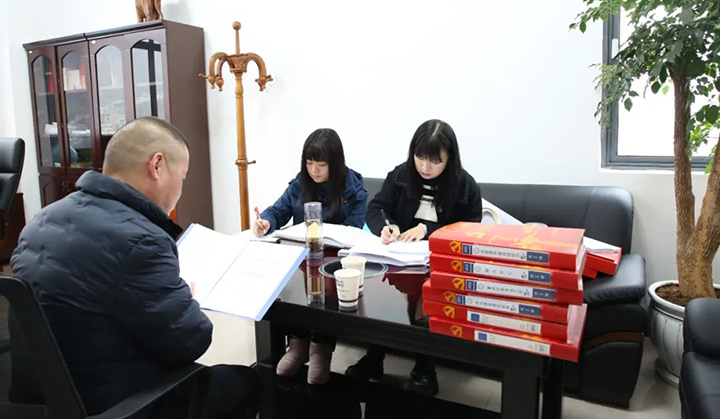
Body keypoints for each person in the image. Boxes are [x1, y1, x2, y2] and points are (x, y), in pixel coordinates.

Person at [11, 117, 258, 418]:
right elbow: (191, 341)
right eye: (182, 178)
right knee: (246, 382)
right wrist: (189, 300)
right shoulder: (141, 240)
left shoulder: (41, 220)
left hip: (46, 401)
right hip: (118, 403)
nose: (180, 190)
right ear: (157, 166)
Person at [345, 119, 483, 396]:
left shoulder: (465, 186)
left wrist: (427, 230)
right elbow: (377, 207)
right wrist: (387, 227)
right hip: (400, 260)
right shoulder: (400, 175)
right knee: (379, 296)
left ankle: (425, 369)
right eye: (420, 157)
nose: (425, 167)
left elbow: (470, 229)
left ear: (449, 158)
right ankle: (374, 357)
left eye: (435, 160)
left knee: (427, 300)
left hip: (441, 265)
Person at [253, 128, 368, 385]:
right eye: (309, 162)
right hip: (303, 259)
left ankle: (321, 350)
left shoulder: (353, 189)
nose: (314, 170)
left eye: (321, 164)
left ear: (335, 163)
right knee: (294, 291)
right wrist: (266, 222)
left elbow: (355, 229)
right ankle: (297, 345)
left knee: (326, 295)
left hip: (333, 261)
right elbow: (278, 210)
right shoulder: (299, 185)